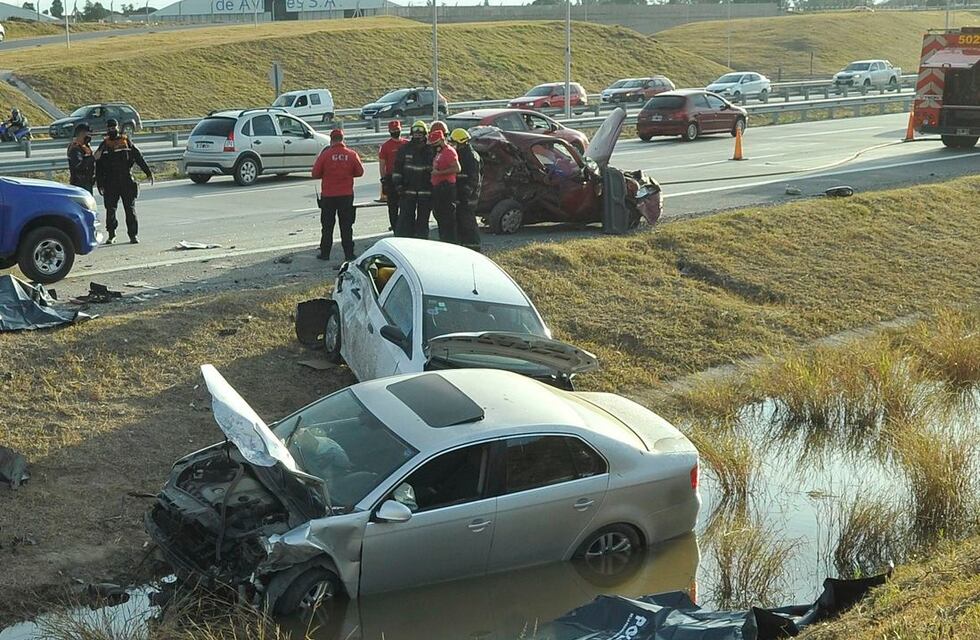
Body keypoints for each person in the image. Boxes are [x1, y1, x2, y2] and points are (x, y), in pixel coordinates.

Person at [95, 118, 153, 244]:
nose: (111, 130)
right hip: (110, 182)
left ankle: (133, 235)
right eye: (109, 128)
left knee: (130, 209)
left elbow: (138, 157)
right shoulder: (104, 145)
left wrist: (148, 172)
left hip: (126, 180)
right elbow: (98, 165)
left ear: (117, 127)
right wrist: (99, 183)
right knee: (110, 209)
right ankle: (111, 234)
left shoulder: (126, 141)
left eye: (113, 127)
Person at [312, 129, 364, 264]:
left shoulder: (325, 155)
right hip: (346, 195)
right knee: (346, 226)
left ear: (331, 139)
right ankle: (349, 254)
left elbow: (315, 173)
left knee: (327, 226)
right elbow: (360, 172)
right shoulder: (352, 154)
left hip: (328, 196)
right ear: (342, 139)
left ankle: (325, 253)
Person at [392, 121, 435, 239]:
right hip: (407, 190)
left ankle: (421, 243)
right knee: (405, 219)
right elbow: (397, 169)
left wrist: (433, 188)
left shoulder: (431, 150)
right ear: (411, 133)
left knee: (423, 220)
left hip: (425, 191)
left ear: (425, 134)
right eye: (415, 133)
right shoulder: (404, 149)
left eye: (420, 133)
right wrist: (398, 186)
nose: (417, 135)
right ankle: (405, 242)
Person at [450, 128, 483, 251]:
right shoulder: (460, 154)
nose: (453, 145)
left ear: (462, 143)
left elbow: (474, 179)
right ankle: (464, 247)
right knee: (460, 222)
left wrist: (466, 193)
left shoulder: (471, 157)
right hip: (461, 194)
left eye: (455, 143)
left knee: (468, 222)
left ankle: (474, 247)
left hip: (469, 197)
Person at [428, 129, 461, 243]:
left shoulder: (449, 152)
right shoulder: (439, 152)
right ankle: (444, 239)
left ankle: (450, 241)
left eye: (436, 143)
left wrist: (439, 173)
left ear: (442, 140)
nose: (434, 146)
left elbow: (457, 168)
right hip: (438, 187)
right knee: (440, 216)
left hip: (446, 188)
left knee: (447, 218)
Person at [378, 120, 407, 232]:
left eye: (397, 129)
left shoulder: (406, 143)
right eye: (393, 130)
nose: (395, 131)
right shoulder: (385, 146)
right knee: (392, 206)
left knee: (406, 204)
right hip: (391, 178)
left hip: (405, 177)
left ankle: (404, 225)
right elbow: (382, 165)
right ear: (389, 131)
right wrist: (383, 179)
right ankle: (395, 227)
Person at [67, 123, 96, 194]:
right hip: (79, 183)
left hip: (88, 182)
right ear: (81, 134)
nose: (89, 137)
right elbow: (78, 166)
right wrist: (92, 158)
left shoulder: (85, 147)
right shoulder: (75, 148)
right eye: (88, 134)